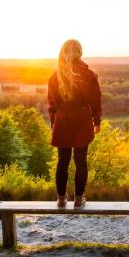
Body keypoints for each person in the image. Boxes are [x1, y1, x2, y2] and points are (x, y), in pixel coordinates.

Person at [47, 39, 102, 209]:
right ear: (80, 52)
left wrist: (53, 124)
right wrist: (97, 121)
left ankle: (61, 200)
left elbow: (52, 105)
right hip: (82, 120)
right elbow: (96, 101)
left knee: (62, 161)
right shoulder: (90, 75)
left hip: (62, 120)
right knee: (81, 161)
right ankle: (78, 200)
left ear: (63, 53)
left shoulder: (55, 77)